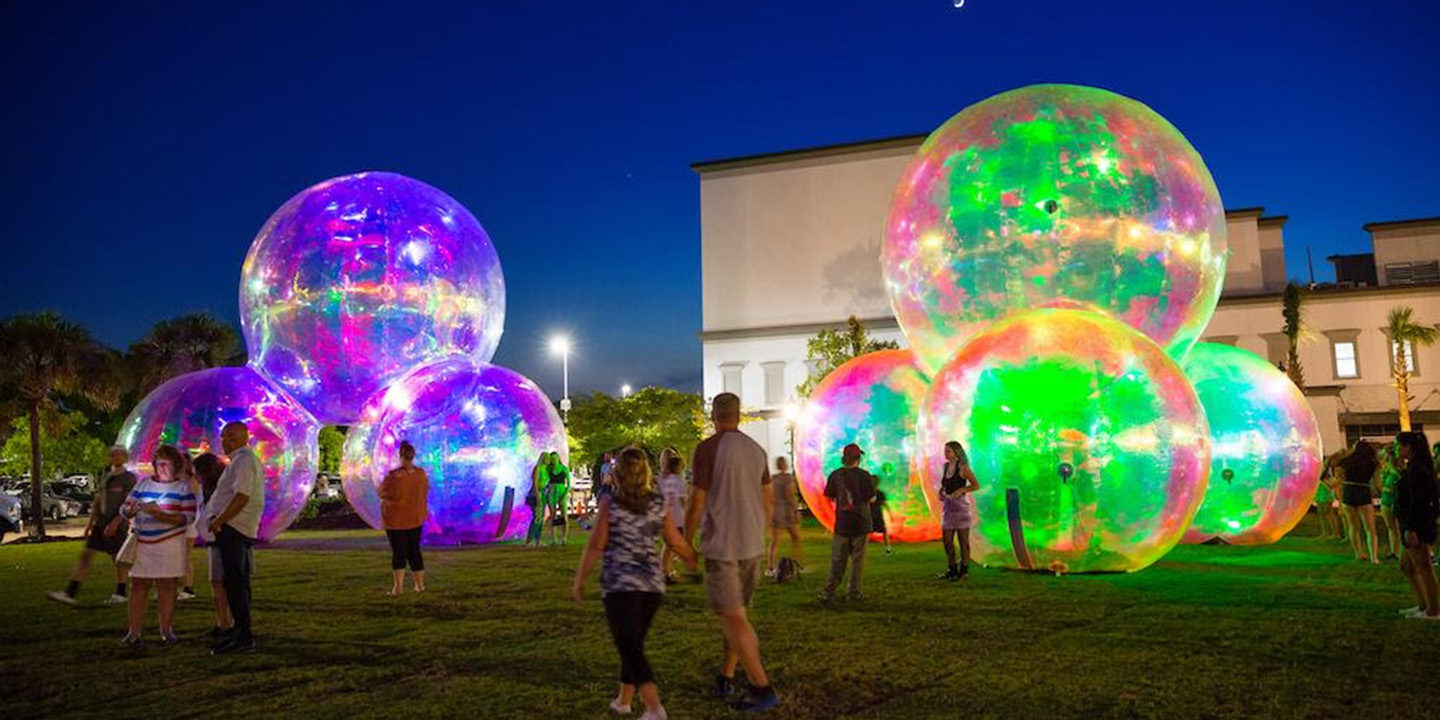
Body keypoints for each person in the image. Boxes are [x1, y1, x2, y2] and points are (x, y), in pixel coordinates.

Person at [573, 447, 697, 720]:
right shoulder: (657, 503)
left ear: (617, 475)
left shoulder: (610, 504)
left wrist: (580, 579)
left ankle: (654, 707)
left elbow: (596, 544)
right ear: (646, 473)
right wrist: (690, 557)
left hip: (620, 586)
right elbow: (673, 541)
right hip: (651, 587)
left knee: (629, 646)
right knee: (633, 643)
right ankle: (624, 700)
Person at [683, 392, 779, 711]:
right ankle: (726, 674)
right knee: (737, 615)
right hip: (751, 545)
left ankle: (761, 686)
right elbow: (768, 501)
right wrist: (762, 535)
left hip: (723, 546)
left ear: (714, 415)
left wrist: (685, 541)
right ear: (740, 415)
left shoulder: (708, 449)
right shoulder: (757, 450)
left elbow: (697, 500)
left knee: (732, 617)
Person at [119, 445, 198, 647]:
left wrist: (160, 514)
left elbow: (188, 517)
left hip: (169, 544)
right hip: (144, 543)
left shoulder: (183, 488)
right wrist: (130, 510)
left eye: (167, 463)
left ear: (176, 465)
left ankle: (166, 630)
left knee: (168, 586)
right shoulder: (143, 484)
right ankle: (134, 631)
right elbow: (125, 507)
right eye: (159, 463)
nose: (162, 467)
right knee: (138, 586)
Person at [47, 446, 136, 607]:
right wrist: (90, 523)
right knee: (87, 555)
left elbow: (128, 503)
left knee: (118, 559)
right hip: (100, 524)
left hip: (116, 524)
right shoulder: (107, 477)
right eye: (112, 455)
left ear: (125, 457)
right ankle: (70, 592)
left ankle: (123, 591)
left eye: (118, 455)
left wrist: (116, 522)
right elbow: (98, 501)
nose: (115, 457)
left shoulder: (128, 478)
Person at [205, 421, 265, 654]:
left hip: (234, 529)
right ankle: (241, 631)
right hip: (233, 528)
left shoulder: (244, 461)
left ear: (236, 437)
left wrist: (220, 520)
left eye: (226, 437)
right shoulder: (241, 461)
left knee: (235, 582)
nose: (222, 441)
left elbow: (242, 496)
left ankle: (243, 635)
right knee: (236, 581)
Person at [819, 443, 876, 604]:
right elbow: (871, 498)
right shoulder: (865, 476)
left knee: (838, 559)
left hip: (842, 523)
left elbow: (829, 496)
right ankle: (853, 592)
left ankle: (829, 591)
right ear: (858, 458)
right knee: (857, 561)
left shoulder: (835, 475)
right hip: (861, 523)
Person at [1393, 432, 1440, 619]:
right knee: (1407, 566)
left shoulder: (1418, 470)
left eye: (1399, 445)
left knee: (1423, 567)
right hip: (1409, 523)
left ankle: (1433, 609)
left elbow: (1418, 501)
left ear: (1408, 447)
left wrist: (1411, 528)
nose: (1397, 449)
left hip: (1415, 525)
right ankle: (1423, 604)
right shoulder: (1412, 467)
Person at [379, 440, 429, 595]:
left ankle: (398, 587)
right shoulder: (421, 474)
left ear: (400, 456)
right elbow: (426, 490)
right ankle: (419, 585)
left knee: (399, 552)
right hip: (416, 517)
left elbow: (383, 492)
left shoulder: (394, 476)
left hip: (396, 520)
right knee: (414, 551)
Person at [191, 453, 231, 641]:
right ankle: (222, 622)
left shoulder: (220, 490)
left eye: (196, 473)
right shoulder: (205, 490)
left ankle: (226, 624)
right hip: (212, 539)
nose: (195, 477)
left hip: (222, 539)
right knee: (217, 583)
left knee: (222, 583)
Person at [938, 441, 980, 581]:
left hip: (961, 507)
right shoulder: (945, 467)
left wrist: (962, 490)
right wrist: (941, 491)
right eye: (945, 451)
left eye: (948, 451)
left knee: (963, 541)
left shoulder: (963, 468)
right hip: (948, 507)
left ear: (956, 453)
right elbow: (944, 485)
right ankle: (952, 569)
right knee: (947, 541)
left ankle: (964, 570)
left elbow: (976, 485)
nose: (946, 454)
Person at [1336, 441, 1381, 564]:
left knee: (1353, 527)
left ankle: (1358, 553)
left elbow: (1337, 469)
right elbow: (1378, 483)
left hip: (1349, 491)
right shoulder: (1372, 463)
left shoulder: (1348, 462)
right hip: (1363, 491)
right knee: (1370, 528)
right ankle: (1374, 557)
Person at [656, 449, 688, 583]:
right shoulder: (679, 480)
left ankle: (667, 568)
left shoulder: (661, 479)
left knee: (669, 545)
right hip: (678, 516)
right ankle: (665, 570)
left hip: (665, 514)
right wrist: (688, 511)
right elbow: (682, 499)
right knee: (671, 546)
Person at [766, 456, 802, 575]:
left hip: (776, 510)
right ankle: (795, 563)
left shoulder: (773, 479)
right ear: (785, 465)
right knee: (796, 537)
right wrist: (796, 510)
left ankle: (770, 567)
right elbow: (790, 495)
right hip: (786, 510)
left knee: (775, 540)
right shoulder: (788, 479)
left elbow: (770, 496)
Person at [1378, 443, 1403, 560]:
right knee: (1393, 528)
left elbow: (1386, 487)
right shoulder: (1397, 469)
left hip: (1390, 501)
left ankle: (1397, 551)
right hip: (1390, 501)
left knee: (1393, 528)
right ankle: (1395, 551)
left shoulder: (1390, 471)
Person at [544, 452, 571, 546]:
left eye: (555, 458)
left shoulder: (564, 469)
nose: (554, 460)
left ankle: (564, 538)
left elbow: (569, 484)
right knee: (553, 516)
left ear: (558, 458)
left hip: (561, 491)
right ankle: (554, 538)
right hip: (552, 492)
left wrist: (565, 493)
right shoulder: (549, 469)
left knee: (564, 515)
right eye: (552, 459)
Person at [524, 452, 549, 548]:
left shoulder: (546, 470)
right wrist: (538, 496)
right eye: (546, 458)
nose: (548, 460)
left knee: (541, 518)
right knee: (536, 517)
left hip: (544, 494)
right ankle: (530, 540)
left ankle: (538, 539)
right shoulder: (538, 468)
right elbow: (535, 483)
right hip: (536, 493)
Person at [872, 464, 893, 555]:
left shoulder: (868, 493)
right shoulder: (880, 493)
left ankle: (857, 548)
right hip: (877, 515)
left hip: (870, 515)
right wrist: (890, 514)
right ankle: (888, 548)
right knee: (884, 532)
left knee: (863, 533)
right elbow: (885, 505)